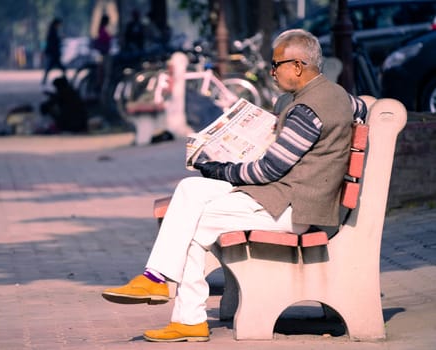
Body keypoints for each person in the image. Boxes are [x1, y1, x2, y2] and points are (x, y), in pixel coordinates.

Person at [101, 29, 367, 342]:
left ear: (298, 66)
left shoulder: (306, 111)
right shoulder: (334, 95)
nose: (271, 70)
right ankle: (155, 279)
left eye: (276, 63)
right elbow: (359, 107)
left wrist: (223, 170)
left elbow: (270, 169)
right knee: (189, 189)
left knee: (192, 221)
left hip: (292, 209)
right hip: (288, 197)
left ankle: (184, 312)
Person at [41, 17, 66, 85]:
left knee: (50, 68)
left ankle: (44, 80)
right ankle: (65, 78)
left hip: (53, 53)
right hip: (54, 53)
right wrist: (60, 39)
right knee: (59, 67)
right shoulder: (52, 31)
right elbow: (53, 42)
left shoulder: (52, 30)